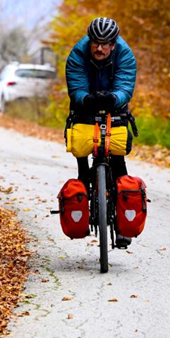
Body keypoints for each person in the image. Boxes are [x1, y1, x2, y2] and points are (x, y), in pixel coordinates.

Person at [65, 16, 137, 247]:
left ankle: (123, 224)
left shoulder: (124, 54)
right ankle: (83, 195)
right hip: (85, 104)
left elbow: (126, 84)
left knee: (116, 155)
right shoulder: (78, 53)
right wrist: (85, 98)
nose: (99, 48)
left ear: (113, 44)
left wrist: (114, 97)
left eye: (105, 44)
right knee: (81, 148)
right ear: (90, 41)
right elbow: (75, 85)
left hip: (115, 104)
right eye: (96, 42)